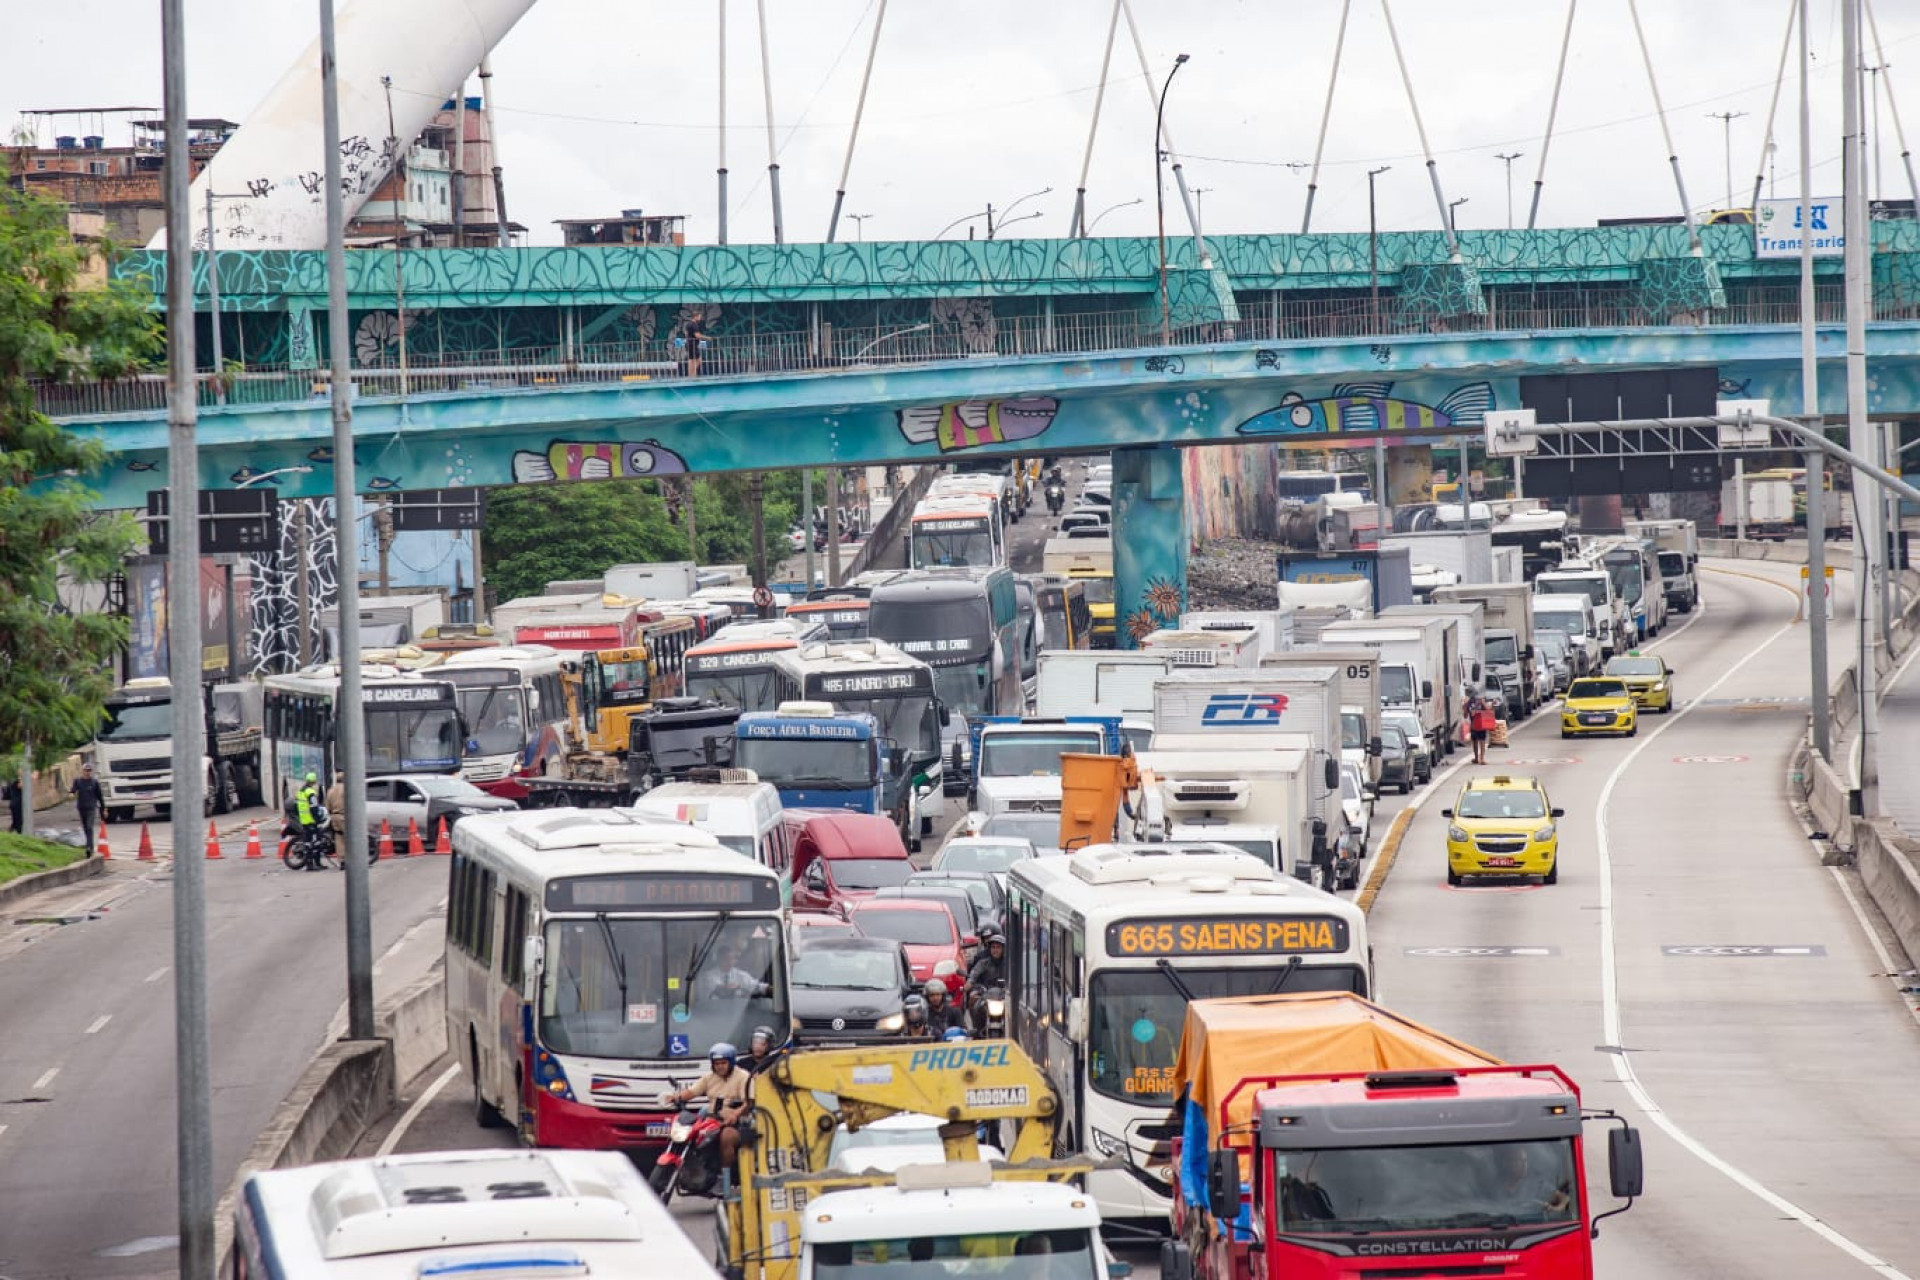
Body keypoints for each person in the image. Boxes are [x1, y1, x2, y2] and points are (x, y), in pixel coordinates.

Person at [663, 1042, 754, 1168]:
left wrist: (735, 1114)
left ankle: (725, 1178)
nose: (720, 1067)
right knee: (691, 1132)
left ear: (731, 1063)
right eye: (717, 1064)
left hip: (738, 1123)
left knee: (726, 1137)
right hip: (713, 1120)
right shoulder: (709, 1077)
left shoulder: (743, 1077)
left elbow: (749, 1102)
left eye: (723, 1063)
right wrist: (675, 1097)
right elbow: (692, 1091)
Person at [1490, 1144, 1573, 1221]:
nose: (1524, 1165)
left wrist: (1556, 1209)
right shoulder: (1494, 1188)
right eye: (1518, 1161)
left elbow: (1564, 1198)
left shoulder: (1536, 1185)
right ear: (1508, 1163)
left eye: (1525, 1161)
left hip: (1532, 1227)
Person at [965, 931, 1007, 1031]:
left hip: (1005, 995)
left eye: (998, 947)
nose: (995, 950)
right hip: (986, 994)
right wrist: (969, 983)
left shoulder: (1010, 963)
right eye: (993, 947)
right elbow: (974, 973)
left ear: (1003, 949)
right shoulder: (983, 963)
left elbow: (1018, 977)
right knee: (973, 999)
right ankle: (977, 1030)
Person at [72, 763, 104, 853]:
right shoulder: (78, 781)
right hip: (81, 807)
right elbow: (73, 790)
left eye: (89, 770)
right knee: (85, 827)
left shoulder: (94, 782)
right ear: (83, 771)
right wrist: (71, 792)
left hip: (91, 807)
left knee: (89, 827)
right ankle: (89, 845)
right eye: (86, 770)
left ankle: (89, 847)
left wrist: (103, 809)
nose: (87, 772)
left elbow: (100, 796)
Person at [1464, 686, 1494, 766]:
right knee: (1481, 741)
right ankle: (1481, 758)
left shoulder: (1468, 703)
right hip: (1480, 723)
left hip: (1474, 724)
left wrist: (1465, 707)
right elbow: (1487, 710)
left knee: (1476, 741)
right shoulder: (1480, 701)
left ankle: (1477, 758)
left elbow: (1465, 715)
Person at [324, 770, 347, 862]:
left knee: (338, 838)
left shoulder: (331, 791)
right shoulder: (346, 789)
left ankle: (341, 860)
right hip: (344, 816)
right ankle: (353, 860)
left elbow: (327, 806)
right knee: (350, 837)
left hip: (334, 816)